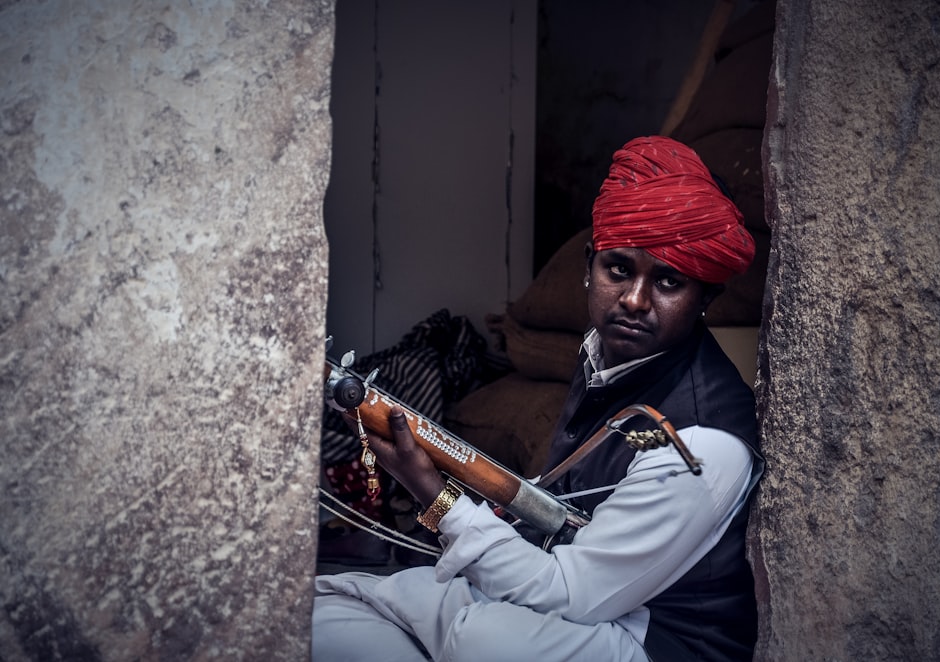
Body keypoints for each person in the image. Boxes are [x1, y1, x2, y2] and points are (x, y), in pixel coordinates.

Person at [312, 135, 765, 661]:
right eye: (618, 270)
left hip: (652, 640)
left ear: (705, 297)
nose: (635, 300)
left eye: (668, 282)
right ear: (589, 265)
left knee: (482, 638)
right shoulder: (606, 355)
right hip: (584, 603)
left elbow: (569, 594)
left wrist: (432, 492)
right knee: (332, 608)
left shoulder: (700, 445)